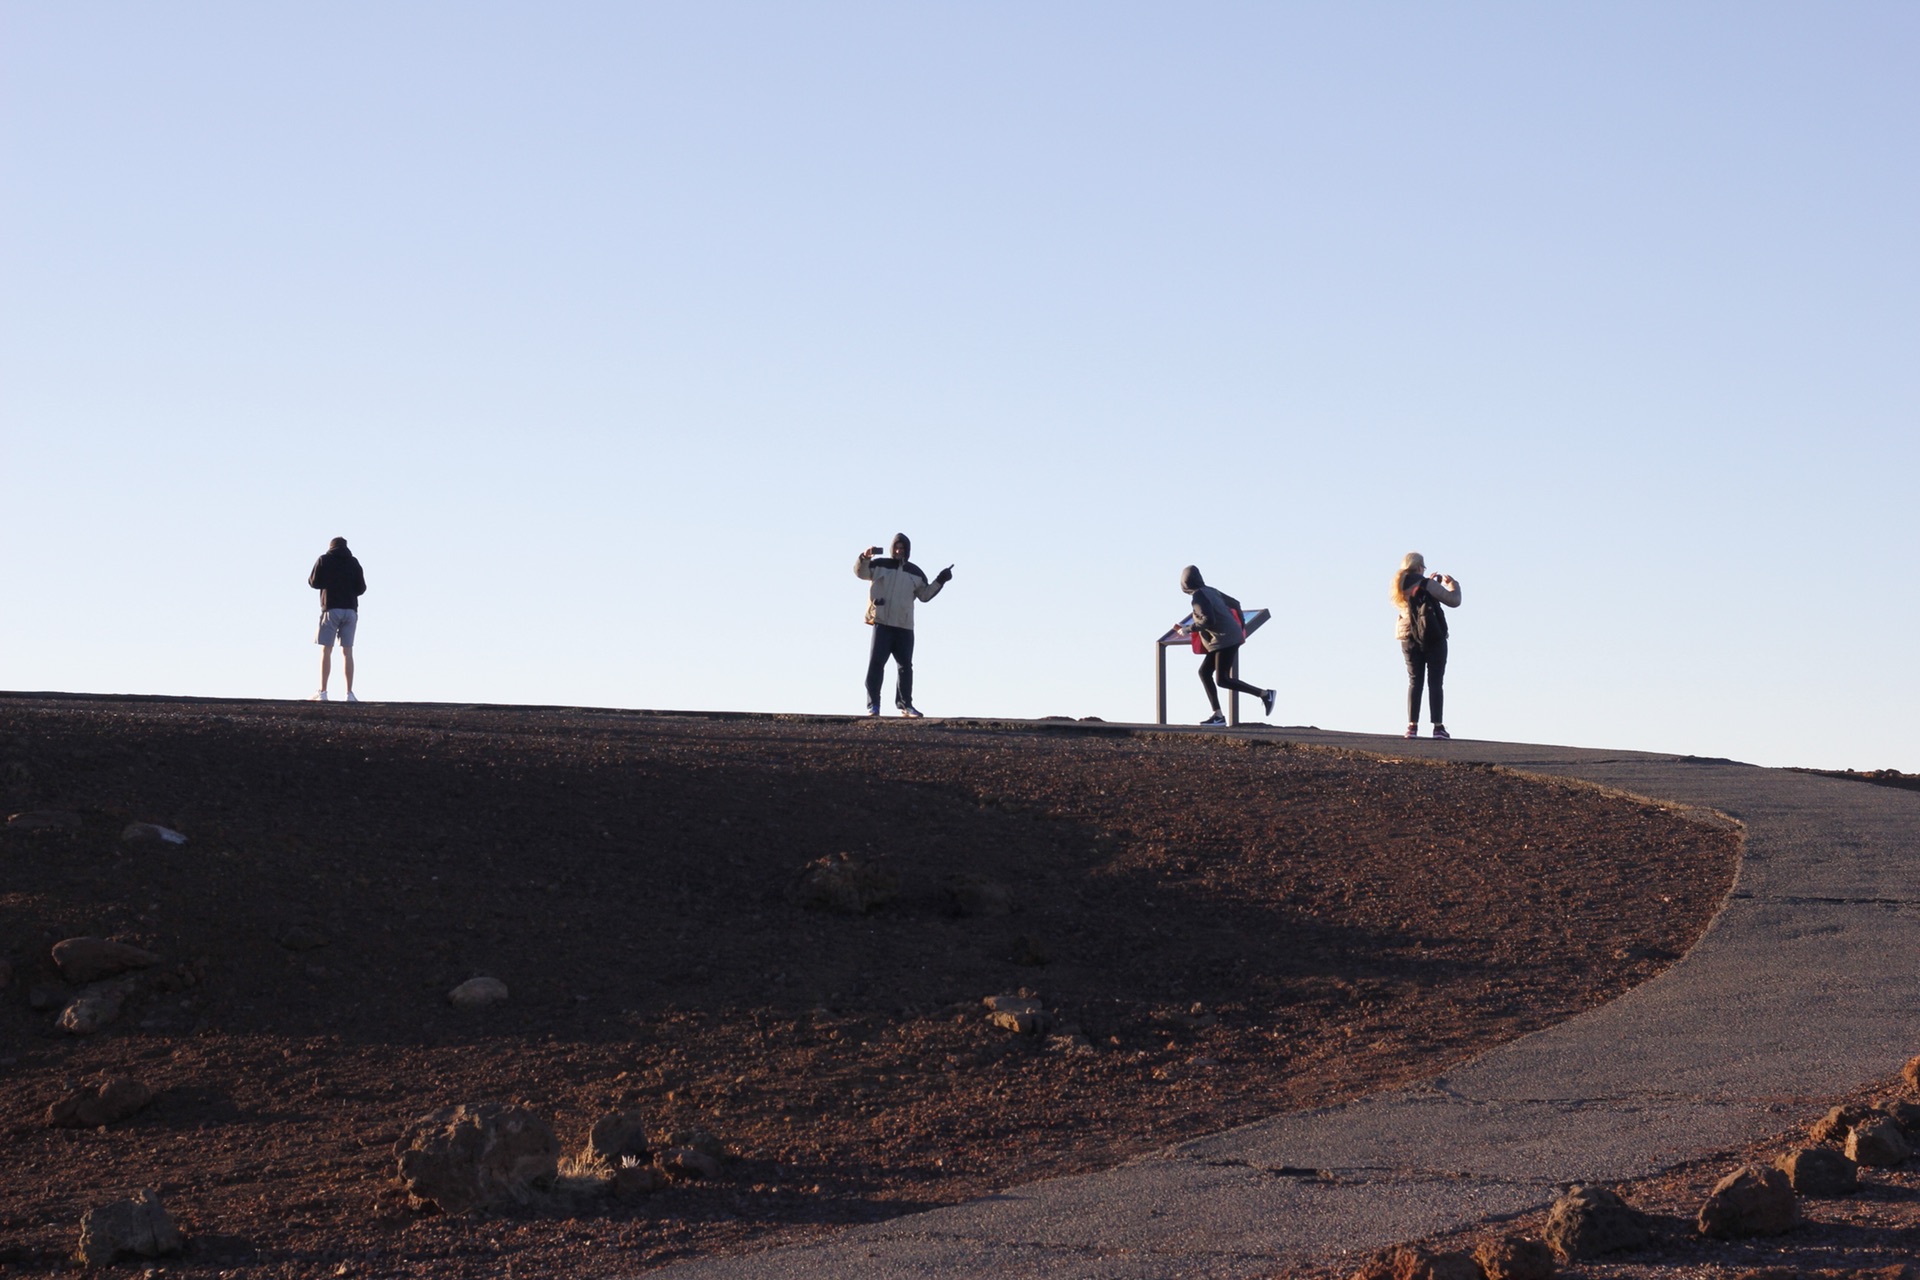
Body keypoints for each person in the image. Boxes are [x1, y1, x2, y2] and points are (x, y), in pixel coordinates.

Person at [855, 533, 953, 717]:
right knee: (876, 664)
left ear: (907, 551)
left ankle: (905, 705)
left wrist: (941, 580)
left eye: (903, 548)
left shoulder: (916, 572)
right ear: (893, 549)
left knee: (905, 666)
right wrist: (865, 557)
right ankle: (873, 705)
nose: (899, 551)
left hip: (904, 626)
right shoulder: (880, 565)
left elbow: (925, 595)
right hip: (882, 623)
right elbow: (860, 572)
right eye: (897, 547)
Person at [1179, 566, 1275, 726]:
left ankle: (1265, 694)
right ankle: (1218, 715)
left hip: (1224, 639)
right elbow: (1235, 603)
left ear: (1184, 583)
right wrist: (1241, 626)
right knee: (1205, 672)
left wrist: (1188, 629)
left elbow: (1208, 620)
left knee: (1222, 679)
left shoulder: (1198, 597)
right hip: (1227, 637)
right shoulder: (1210, 590)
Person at [1392, 551, 1461, 739]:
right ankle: (1438, 728)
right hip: (1432, 636)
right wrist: (1453, 585)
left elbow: (1416, 602)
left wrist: (1430, 585)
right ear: (1420, 566)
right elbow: (1454, 601)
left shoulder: (1398, 585)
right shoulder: (1426, 584)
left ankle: (1412, 727)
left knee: (1415, 681)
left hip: (1407, 637)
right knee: (1435, 681)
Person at [308, 537, 367, 702]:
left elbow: (313, 582)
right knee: (347, 652)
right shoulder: (354, 562)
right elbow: (361, 588)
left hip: (331, 608)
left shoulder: (324, 560)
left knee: (327, 650)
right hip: (350, 610)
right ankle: (349, 693)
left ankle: (323, 691)